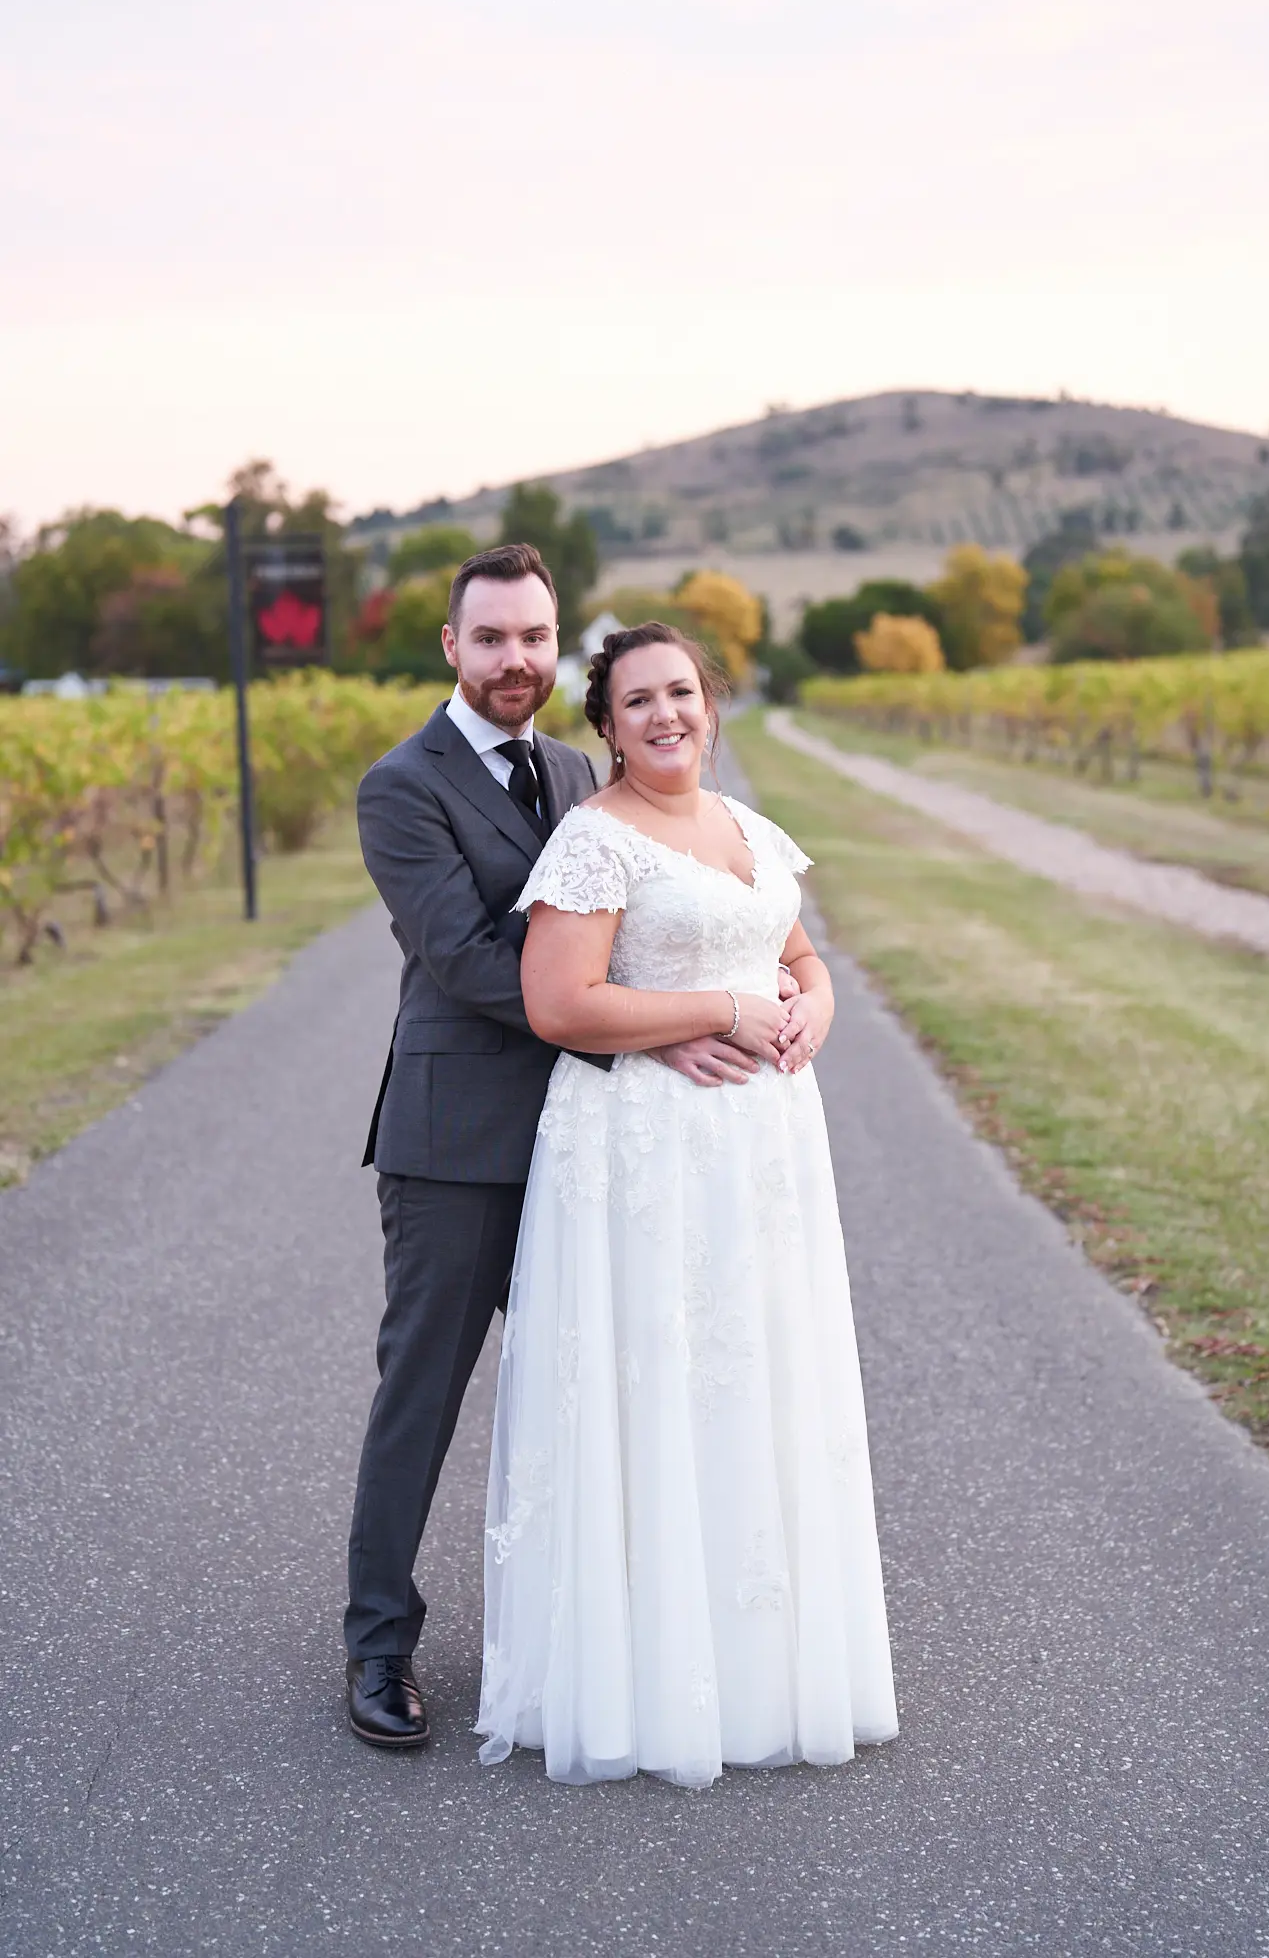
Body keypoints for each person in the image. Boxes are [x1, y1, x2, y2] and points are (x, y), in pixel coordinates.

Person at [344, 547, 768, 1747]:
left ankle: (596, 1626)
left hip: (596, 1144)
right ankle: (378, 1642)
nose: (516, 659)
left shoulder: (582, 766)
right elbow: (482, 962)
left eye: (534, 637)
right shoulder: (402, 785)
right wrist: (662, 1032)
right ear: (451, 646)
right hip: (458, 1141)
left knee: (596, 1389)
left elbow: (625, 939)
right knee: (421, 1394)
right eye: (491, 639)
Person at [476, 622, 898, 1786]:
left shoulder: (751, 830)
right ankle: (645, 1669)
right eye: (636, 701)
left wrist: (812, 1009)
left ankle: (757, 1656)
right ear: (604, 727)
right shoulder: (593, 840)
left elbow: (802, 959)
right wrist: (715, 1007)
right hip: (642, 1153)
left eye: (680, 692)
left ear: (709, 705)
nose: (664, 714)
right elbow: (559, 1002)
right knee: (656, 1377)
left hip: (761, 1148)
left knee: (756, 1374)